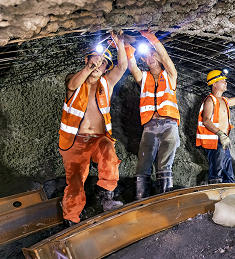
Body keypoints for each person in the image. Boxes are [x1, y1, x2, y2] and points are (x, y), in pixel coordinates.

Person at [58, 31, 128, 227]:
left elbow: (123, 66)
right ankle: (71, 219)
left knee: (108, 148)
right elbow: (72, 83)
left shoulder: (107, 83)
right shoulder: (75, 81)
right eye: (94, 61)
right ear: (87, 61)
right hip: (74, 142)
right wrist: (88, 69)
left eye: (102, 62)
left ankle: (106, 195)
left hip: (98, 139)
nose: (98, 64)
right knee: (75, 181)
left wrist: (119, 42)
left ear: (106, 67)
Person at [126, 30, 180, 200]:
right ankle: (140, 202)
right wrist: (126, 45)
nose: (150, 59)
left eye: (153, 55)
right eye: (147, 57)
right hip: (150, 126)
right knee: (143, 165)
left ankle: (164, 201)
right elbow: (132, 66)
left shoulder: (170, 75)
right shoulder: (144, 78)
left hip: (169, 125)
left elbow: (165, 56)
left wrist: (150, 37)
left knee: (164, 164)